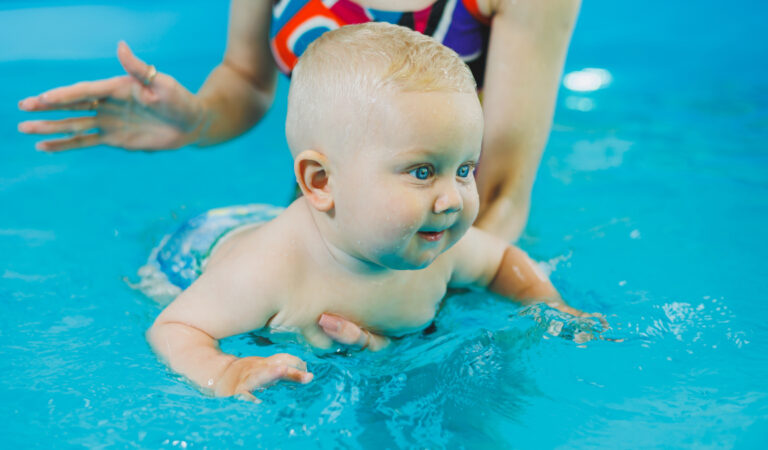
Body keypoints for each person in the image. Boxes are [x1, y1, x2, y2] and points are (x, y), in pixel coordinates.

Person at [145, 23, 600, 402]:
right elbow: (174, 326)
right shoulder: (269, 271)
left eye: (464, 169)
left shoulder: (438, 243)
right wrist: (224, 372)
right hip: (199, 251)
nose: (452, 199)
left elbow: (502, 261)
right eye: (422, 172)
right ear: (321, 181)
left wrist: (551, 306)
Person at [17, 0, 582, 242]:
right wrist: (194, 120)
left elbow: (503, 193)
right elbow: (244, 79)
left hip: (447, 248)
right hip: (313, 237)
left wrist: (408, 294)